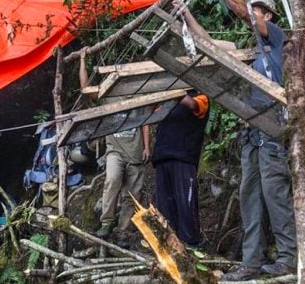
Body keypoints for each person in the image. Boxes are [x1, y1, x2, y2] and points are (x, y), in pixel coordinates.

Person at [180, 0, 297, 280]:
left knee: (275, 194)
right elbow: (208, 44)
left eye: (256, 9)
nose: (250, 13)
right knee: (250, 196)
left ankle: (288, 258)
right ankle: (251, 262)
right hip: (252, 132)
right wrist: (186, 16)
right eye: (252, 9)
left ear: (267, 16)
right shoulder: (249, 53)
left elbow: (244, 13)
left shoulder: (277, 40)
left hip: (273, 128)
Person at [78, 60, 151, 240]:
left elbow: (145, 123)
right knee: (112, 181)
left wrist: (147, 147)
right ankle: (106, 223)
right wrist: (83, 59)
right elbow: (85, 88)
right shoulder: (108, 96)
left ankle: (123, 230)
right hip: (115, 151)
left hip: (135, 152)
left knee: (132, 195)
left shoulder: (139, 97)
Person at [152, 91, 209, 247]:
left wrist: (173, 92)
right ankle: (169, 245)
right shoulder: (165, 102)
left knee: (186, 205)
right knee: (164, 207)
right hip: (162, 157)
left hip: (184, 158)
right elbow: (151, 111)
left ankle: (191, 245)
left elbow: (193, 104)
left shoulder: (200, 95)